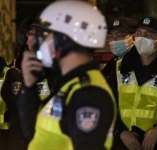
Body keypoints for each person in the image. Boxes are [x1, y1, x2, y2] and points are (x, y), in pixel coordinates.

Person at [17, 1, 116, 150]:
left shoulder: (89, 94)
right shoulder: (69, 84)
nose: (41, 42)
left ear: (64, 40)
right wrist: (29, 87)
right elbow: (33, 133)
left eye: (46, 35)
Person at [110, 17, 157, 150]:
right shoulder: (119, 67)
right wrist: (121, 132)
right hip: (122, 142)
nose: (142, 38)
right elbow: (108, 104)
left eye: (149, 34)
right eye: (139, 33)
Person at [103, 17, 137, 96]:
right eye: (111, 36)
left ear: (134, 37)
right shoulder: (113, 62)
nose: (115, 40)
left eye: (120, 35)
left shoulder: (140, 61)